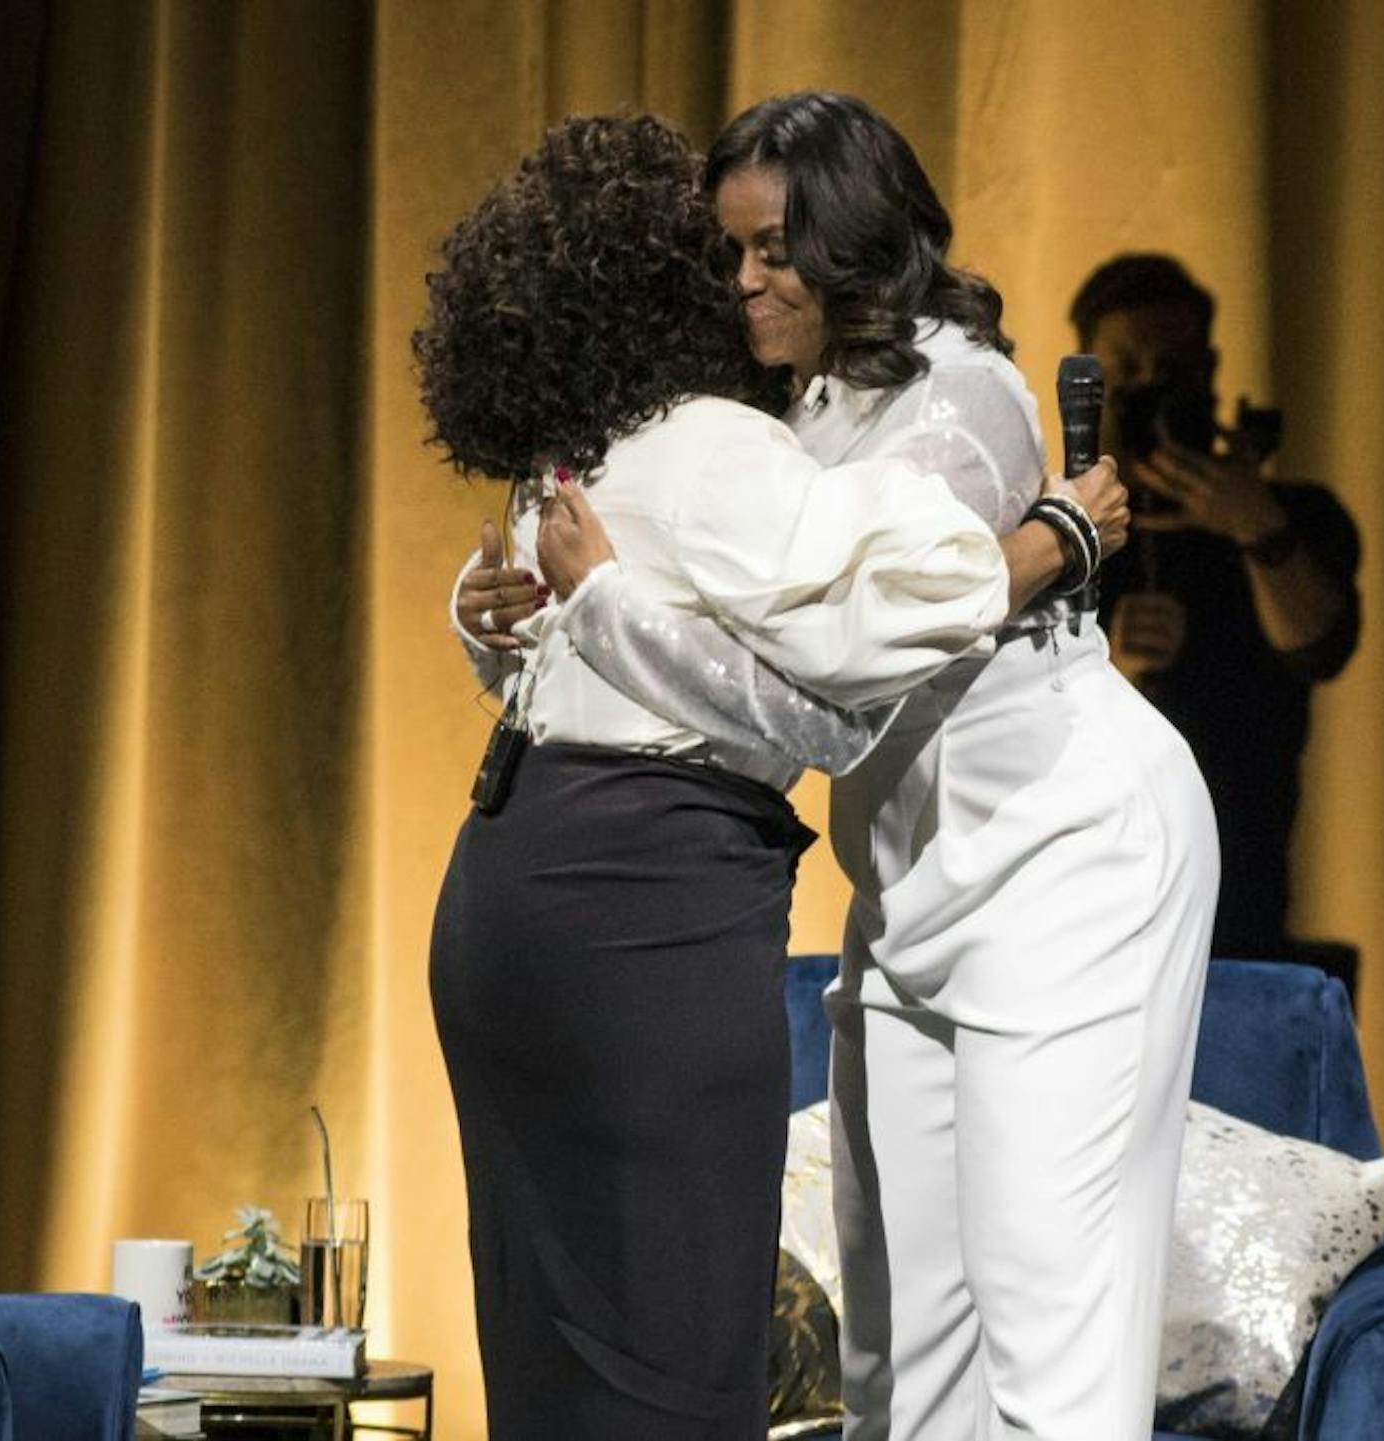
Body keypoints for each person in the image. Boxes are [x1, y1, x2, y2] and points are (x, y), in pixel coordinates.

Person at [507, 92, 1219, 1439]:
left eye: (773, 251)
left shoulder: (966, 395)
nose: (745, 283)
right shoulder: (788, 403)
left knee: (1050, 1336)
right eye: (730, 254)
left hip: (1065, 856)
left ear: (854, 242)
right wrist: (528, 604)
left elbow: (827, 699)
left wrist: (608, 606)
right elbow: (671, 572)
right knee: (898, 1351)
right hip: (906, 884)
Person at [1073, 254, 1361, 961]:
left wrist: (1255, 527)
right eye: (1128, 369)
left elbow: (1318, 645)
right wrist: (1114, 670)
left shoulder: (1294, 517)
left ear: (1210, 368)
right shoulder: (1056, 537)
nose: (1149, 389)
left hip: (1239, 901)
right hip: (1083, 908)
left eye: (1172, 369)